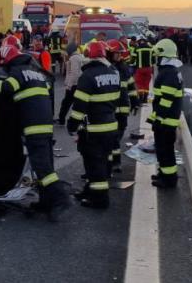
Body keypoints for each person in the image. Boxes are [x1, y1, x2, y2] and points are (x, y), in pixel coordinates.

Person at [0, 41, 72, 221]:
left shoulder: (17, 72)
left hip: (33, 128)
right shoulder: (34, 72)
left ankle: (61, 199)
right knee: (45, 165)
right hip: (44, 126)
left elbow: (5, 88)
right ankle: (46, 203)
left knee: (42, 168)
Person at [67, 41, 121, 209]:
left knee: (94, 164)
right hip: (110, 126)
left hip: (94, 129)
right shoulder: (113, 72)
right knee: (101, 162)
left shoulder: (87, 76)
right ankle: (89, 191)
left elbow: (79, 106)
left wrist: (72, 125)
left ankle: (99, 199)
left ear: (88, 55)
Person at [149, 38, 184, 189]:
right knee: (163, 150)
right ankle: (164, 174)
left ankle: (169, 180)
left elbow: (166, 100)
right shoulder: (170, 71)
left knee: (166, 151)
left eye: (158, 57)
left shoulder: (169, 74)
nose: (156, 60)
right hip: (166, 119)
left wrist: (157, 118)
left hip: (166, 121)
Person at [106, 40, 135, 172]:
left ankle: (114, 162)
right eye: (117, 53)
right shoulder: (106, 68)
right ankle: (112, 163)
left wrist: (135, 101)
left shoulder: (123, 68)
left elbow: (131, 85)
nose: (119, 56)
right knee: (112, 138)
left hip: (122, 109)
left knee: (117, 137)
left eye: (120, 53)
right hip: (110, 109)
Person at [57, 43, 83, 125]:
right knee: (76, 103)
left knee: (66, 103)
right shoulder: (78, 57)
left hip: (73, 85)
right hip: (77, 84)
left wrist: (69, 85)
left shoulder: (74, 58)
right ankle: (79, 120)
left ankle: (61, 120)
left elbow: (74, 73)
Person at [133, 38, 154, 105]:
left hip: (140, 69)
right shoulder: (151, 48)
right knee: (146, 83)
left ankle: (141, 98)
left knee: (139, 83)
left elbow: (133, 59)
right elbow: (154, 60)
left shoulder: (137, 48)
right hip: (149, 69)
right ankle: (145, 98)